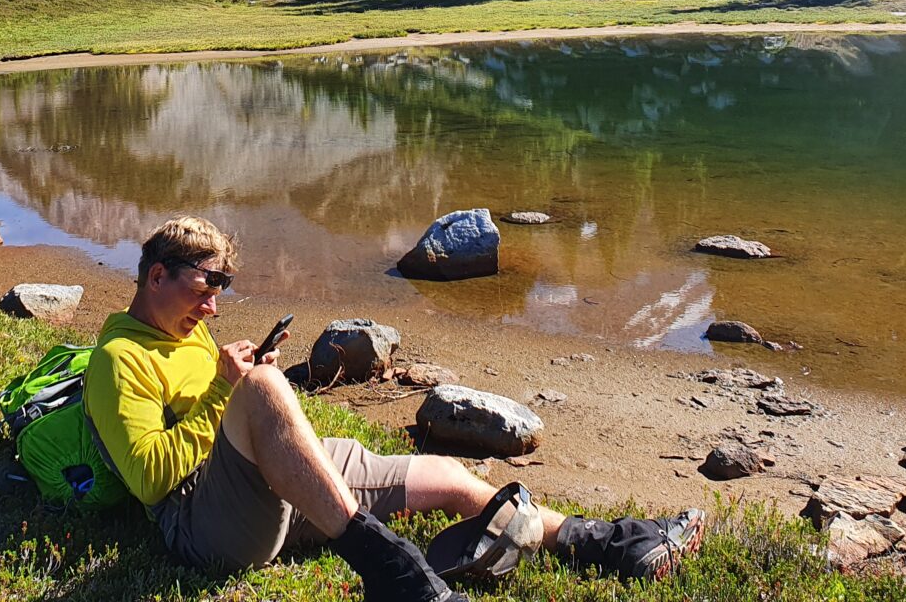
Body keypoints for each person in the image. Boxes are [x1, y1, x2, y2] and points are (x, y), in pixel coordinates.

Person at [84, 216, 705, 601]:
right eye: (204, 290)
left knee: (448, 478)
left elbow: (225, 410)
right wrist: (233, 390)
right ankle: (394, 573)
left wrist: (239, 380)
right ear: (157, 275)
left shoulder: (184, 331)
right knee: (267, 391)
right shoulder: (116, 360)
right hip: (200, 523)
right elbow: (150, 479)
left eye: (222, 293)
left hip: (253, 479)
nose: (213, 309)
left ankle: (611, 543)